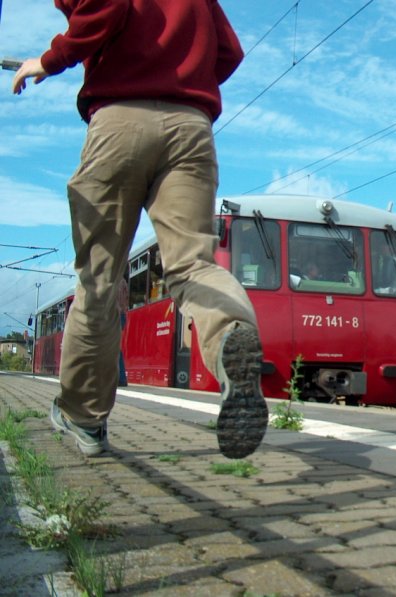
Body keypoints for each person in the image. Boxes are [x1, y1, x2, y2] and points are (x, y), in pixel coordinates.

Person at [11, 0, 268, 459]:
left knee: (99, 280)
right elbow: (228, 52)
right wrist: (182, 83)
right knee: (192, 265)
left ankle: (84, 418)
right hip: (191, 127)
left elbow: (99, 8)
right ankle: (230, 337)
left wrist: (49, 61)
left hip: (119, 121)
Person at [117, 273, 129, 387]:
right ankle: (121, 378)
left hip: (112, 315)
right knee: (118, 347)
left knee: (111, 347)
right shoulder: (123, 281)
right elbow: (127, 298)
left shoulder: (110, 278)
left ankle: (119, 378)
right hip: (122, 315)